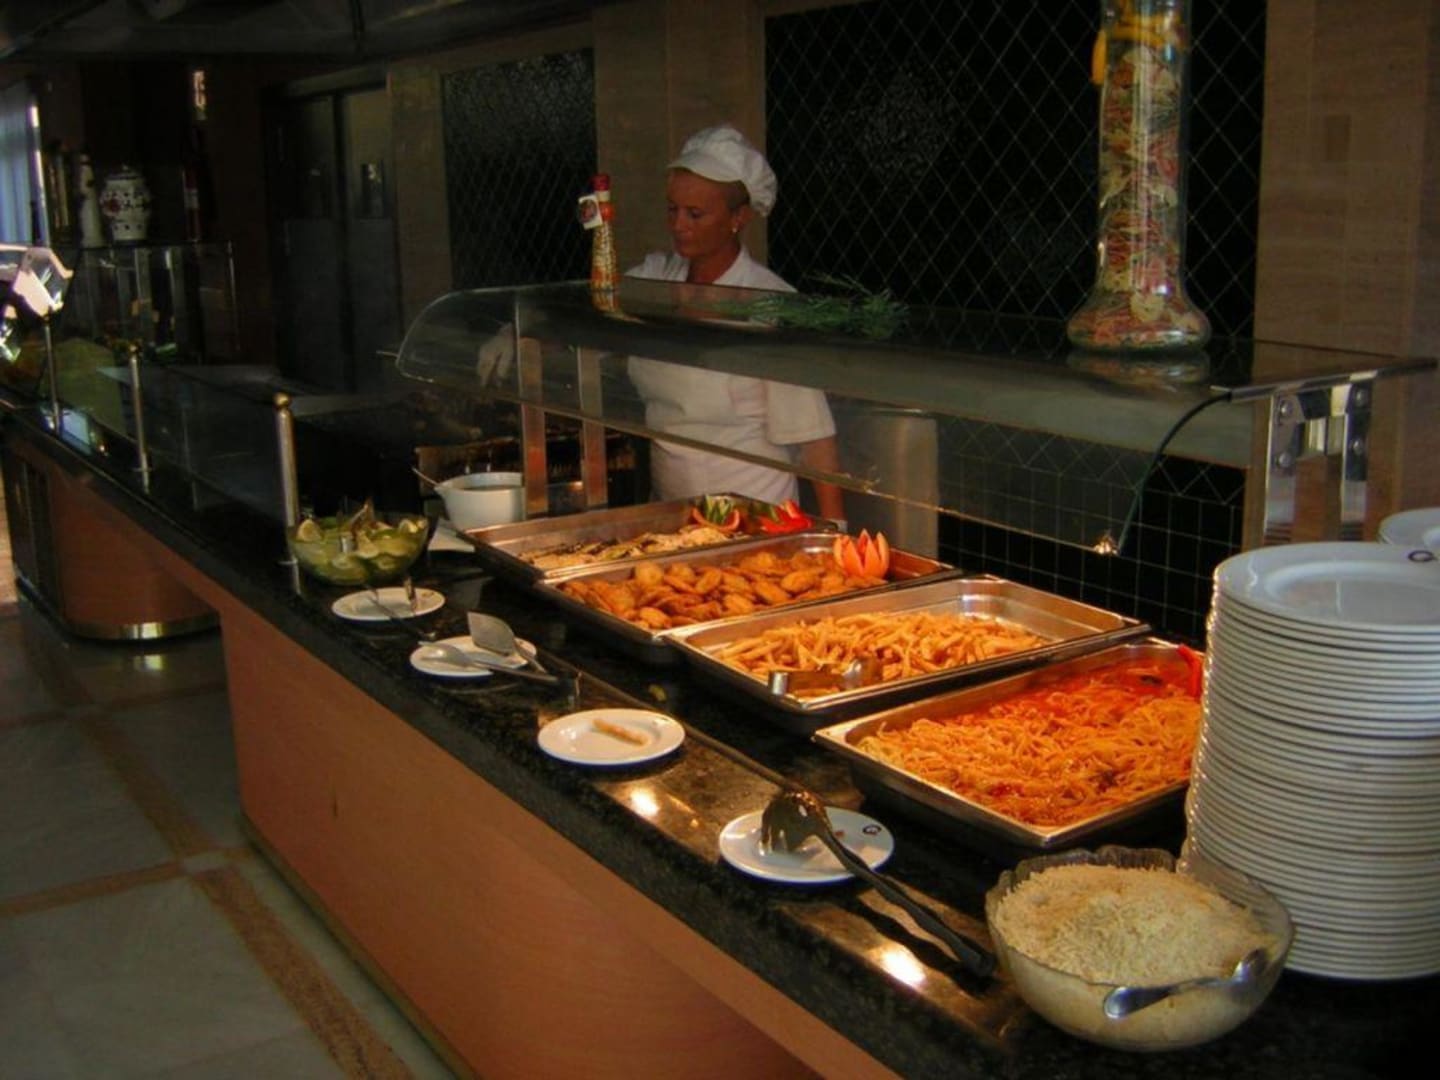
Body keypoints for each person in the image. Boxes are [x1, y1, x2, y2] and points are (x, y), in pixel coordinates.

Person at [626, 124, 846, 521]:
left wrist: (836, 527)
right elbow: (594, 315)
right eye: (672, 209)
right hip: (671, 510)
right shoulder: (652, 281)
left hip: (755, 514)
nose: (678, 225)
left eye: (695, 214)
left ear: (738, 217)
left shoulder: (771, 303)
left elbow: (813, 434)